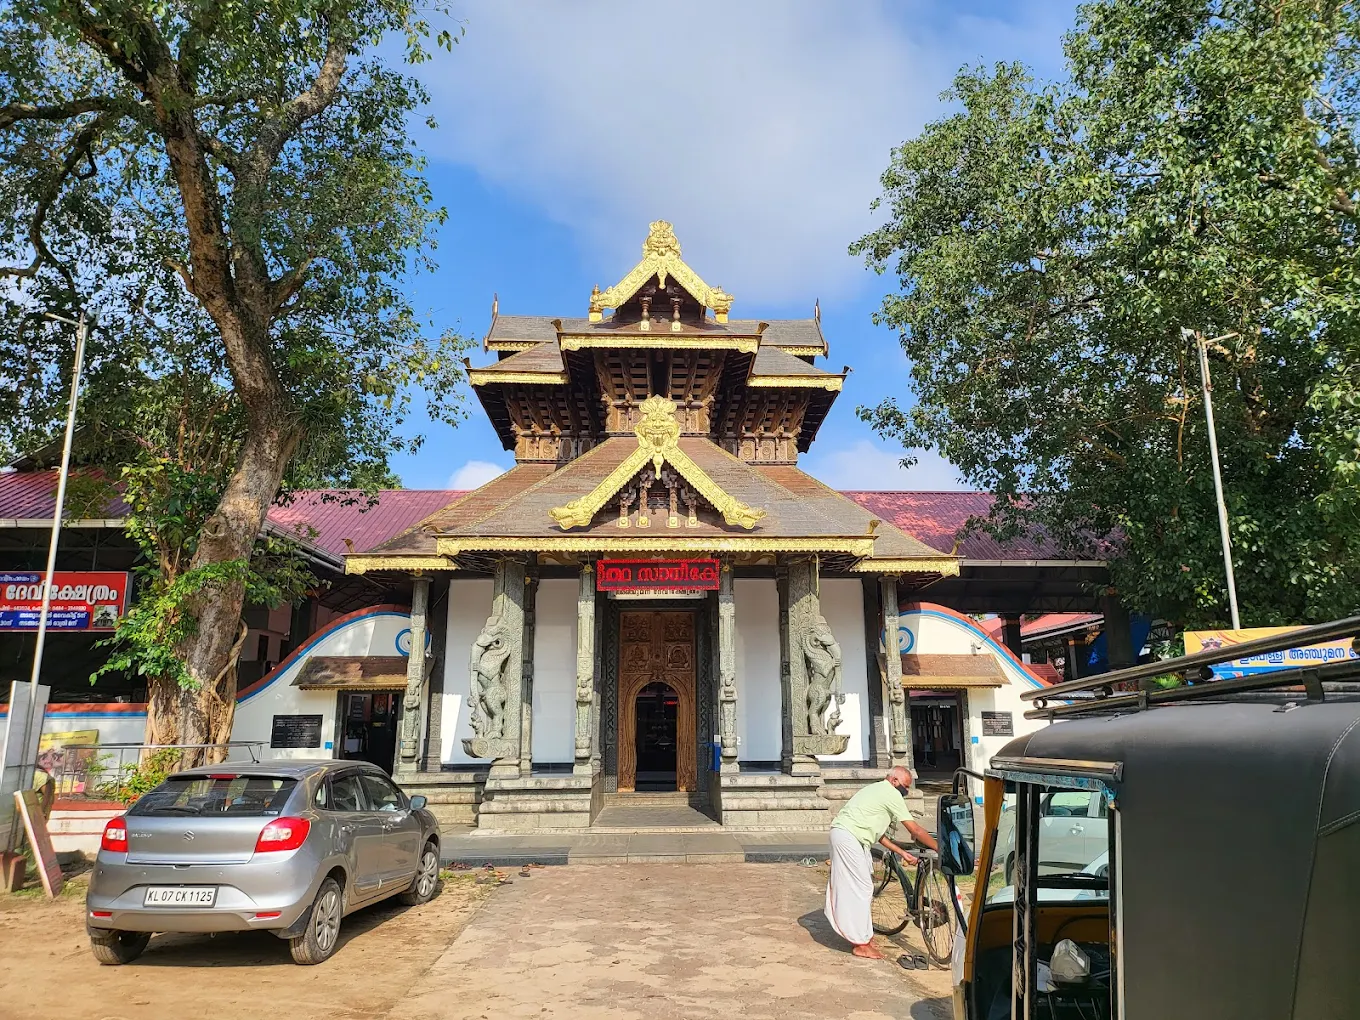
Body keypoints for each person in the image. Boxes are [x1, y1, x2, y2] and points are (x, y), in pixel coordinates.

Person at [824, 766, 938, 959]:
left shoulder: (876, 789)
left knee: (863, 887)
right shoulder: (889, 793)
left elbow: (879, 834)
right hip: (848, 836)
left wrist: (901, 851)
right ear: (894, 781)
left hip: (854, 837)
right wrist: (939, 848)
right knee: (861, 888)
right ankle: (860, 943)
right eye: (904, 787)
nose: (906, 792)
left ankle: (864, 936)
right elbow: (915, 830)